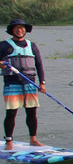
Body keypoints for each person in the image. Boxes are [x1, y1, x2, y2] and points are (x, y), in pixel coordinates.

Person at [1, 19, 46, 150]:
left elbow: (39, 65)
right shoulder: (4, 45)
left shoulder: (32, 46)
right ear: (11, 30)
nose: (19, 30)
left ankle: (33, 139)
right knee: (11, 113)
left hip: (30, 83)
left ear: (25, 30)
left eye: (21, 28)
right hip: (12, 82)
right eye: (16, 28)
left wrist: (42, 82)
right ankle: (9, 142)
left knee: (32, 112)